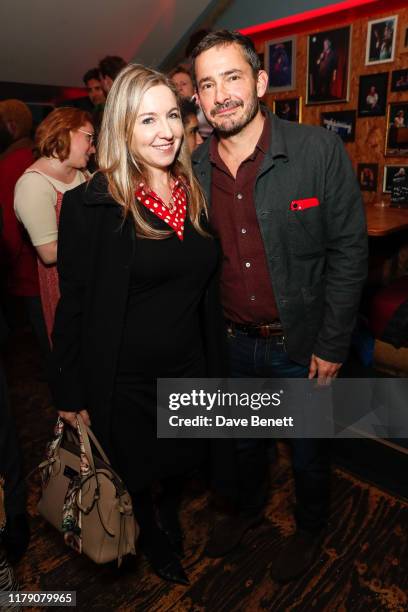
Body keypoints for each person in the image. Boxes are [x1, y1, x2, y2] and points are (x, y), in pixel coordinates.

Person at [191, 30, 367, 582]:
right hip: (231, 347)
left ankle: (311, 529)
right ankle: (246, 513)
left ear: (261, 82)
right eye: (207, 84)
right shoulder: (193, 171)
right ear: (197, 98)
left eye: (233, 77)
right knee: (243, 447)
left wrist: (333, 343)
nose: (221, 94)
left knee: (310, 455)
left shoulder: (318, 151)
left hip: (302, 347)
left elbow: (348, 252)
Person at [49, 64, 225, 585]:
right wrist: (68, 385)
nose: (166, 131)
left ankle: (164, 511)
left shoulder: (193, 193)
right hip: (125, 380)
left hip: (188, 368)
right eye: (147, 119)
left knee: (178, 463)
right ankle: (149, 531)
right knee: (136, 469)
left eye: (172, 115)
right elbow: (74, 302)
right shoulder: (91, 204)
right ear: (122, 127)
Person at [14, 108, 95, 339]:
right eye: (89, 137)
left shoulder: (85, 175)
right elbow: (49, 252)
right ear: (67, 132)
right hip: (65, 287)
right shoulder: (33, 185)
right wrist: (103, 241)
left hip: (92, 279)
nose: (93, 147)